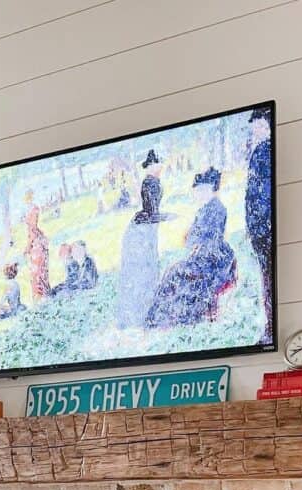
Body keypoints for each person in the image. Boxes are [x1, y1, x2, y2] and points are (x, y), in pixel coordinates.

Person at [145, 166, 237, 328]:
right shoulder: (203, 210)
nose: (199, 193)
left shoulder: (217, 208)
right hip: (202, 256)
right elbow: (189, 239)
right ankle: (159, 320)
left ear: (211, 189)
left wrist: (197, 243)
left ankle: (177, 319)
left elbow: (208, 239)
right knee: (174, 272)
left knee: (178, 273)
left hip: (215, 260)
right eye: (197, 190)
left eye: (203, 189)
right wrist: (194, 242)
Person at [117, 148, 163, 328]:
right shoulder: (150, 183)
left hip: (149, 225)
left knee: (150, 263)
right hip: (145, 227)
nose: (159, 167)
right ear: (151, 166)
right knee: (145, 266)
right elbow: (151, 210)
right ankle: (141, 312)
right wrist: (163, 217)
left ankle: (147, 309)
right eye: (156, 164)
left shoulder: (153, 181)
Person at [245, 108, 273, 346]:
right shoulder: (260, 151)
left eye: (260, 125)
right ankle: (268, 328)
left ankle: (269, 329)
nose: (256, 130)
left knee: (268, 279)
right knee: (266, 279)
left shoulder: (264, 152)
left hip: (264, 230)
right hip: (259, 229)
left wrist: (260, 227)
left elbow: (262, 196)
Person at [23, 191, 50, 301]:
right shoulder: (31, 209)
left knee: (38, 270)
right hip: (37, 242)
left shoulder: (33, 209)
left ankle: (41, 296)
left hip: (37, 243)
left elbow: (33, 229)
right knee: (39, 270)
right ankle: (42, 295)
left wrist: (28, 247)